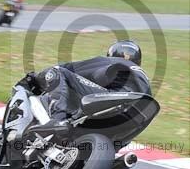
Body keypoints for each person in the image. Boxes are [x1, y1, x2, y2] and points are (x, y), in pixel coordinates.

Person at [21, 40, 151, 132]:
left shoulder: (112, 62)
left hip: (115, 100)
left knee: (59, 72)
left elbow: (70, 68)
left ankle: (58, 119)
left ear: (111, 55)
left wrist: (35, 79)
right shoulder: (143, 77)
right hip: (132, 121)